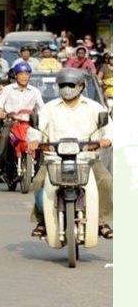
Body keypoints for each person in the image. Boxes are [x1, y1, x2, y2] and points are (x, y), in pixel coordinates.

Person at [27, 68, 113, 239]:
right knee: (38, 182)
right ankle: (43, 220)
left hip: (87, 159)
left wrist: (106, 140)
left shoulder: (94, 107)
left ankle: (101, 221)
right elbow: (35, 129)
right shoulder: (49, 108)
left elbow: (109, 128)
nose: (66, 88)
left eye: (71, 84)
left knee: (105, 181)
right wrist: (34, 140)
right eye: (63, 85)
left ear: (81, 86)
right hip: (55, 159)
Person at [0, 61, 43, 172]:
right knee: (3, 135)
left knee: (42, 138)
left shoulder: (35, 91)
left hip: (28, 124)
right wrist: (0, 110)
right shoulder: (8, 89)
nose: (24, 77)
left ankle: (40, 163)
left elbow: (42, 107)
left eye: (27, 74)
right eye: (21, 74)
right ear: (16, 76)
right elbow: (0, 102)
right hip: (11, 122)